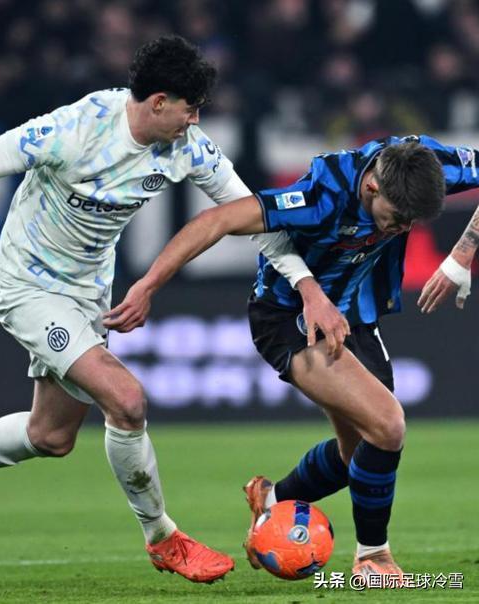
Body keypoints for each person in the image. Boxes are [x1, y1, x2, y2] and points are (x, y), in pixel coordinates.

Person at [0, 35, 314, 584]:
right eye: (190, 108)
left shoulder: (188, 148)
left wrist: (306, 286)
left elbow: (253, 215)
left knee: (51, 436)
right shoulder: (73, 130)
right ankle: (163, 538)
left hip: (87, 292)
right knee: (127, 400)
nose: (196, 120)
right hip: (26, 285)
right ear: (158, 102)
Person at [104, 134, 479, 582]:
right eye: (397, 218)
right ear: (372, 187)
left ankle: (272, 499)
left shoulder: (423, 165)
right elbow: (216, 220)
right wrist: (147, 286)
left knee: (360, 456)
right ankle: (373, 557)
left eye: (412, 221)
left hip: (352, 315)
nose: (402, 228)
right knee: (387, 425)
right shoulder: (322, 195)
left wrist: (462, 255)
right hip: (289, 320)